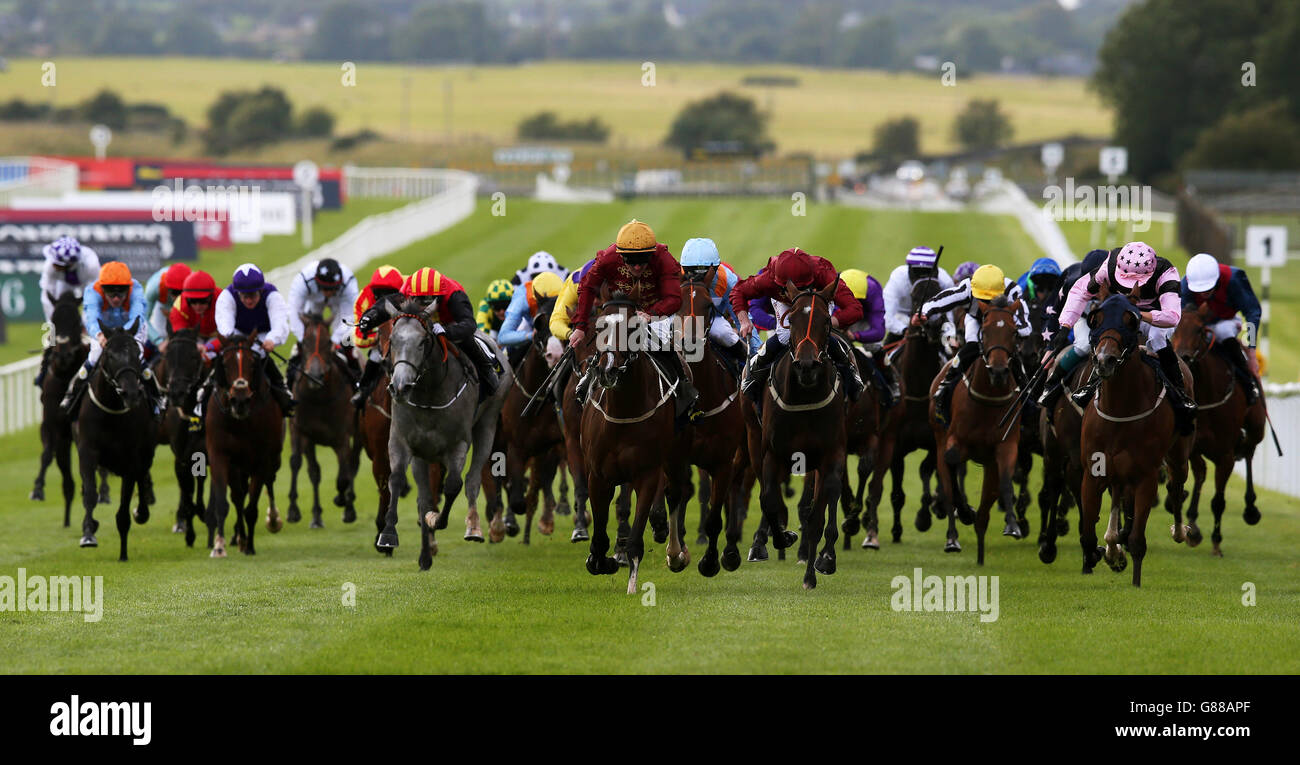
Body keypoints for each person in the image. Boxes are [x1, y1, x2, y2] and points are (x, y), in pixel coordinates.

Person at [1048, 242, 1196, 434]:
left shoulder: (1166, 274)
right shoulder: (1109, 265)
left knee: (1157, 341)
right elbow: (1080, 290)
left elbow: (1172, 316)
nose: (1130, 285)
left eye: (1136, 280)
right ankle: (1092, 383)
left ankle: (1178, 391)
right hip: (1120, 314)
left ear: (1150, 271)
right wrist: (1065, 325)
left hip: (1154, 316)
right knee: (1103, 338)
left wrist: (1137, 313)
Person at [731, 247, 865, 403]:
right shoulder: (768, 279)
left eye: (800, 289)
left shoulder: (823, 273)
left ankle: (851, 373)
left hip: (817, 299)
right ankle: (753, 374)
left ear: (812, 281)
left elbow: (855, 309)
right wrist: (744, 321)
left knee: (821, 332)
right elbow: (738, 291)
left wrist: (827, 322)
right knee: (784, 335)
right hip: (783, 303)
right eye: (787, 289)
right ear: (778, 283)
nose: (793, 293)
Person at [357, 266, 501, 400]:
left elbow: (469, 324)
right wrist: (370, 316)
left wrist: (447, 331)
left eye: (429, 300)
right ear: (412, 295)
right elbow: (386, 303)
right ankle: (373, 384)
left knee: (466, 340)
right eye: (419, 300)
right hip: (419, 324)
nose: (425, 306)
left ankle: (486, 369)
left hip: (447, 321)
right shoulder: (408, 290)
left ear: (440, 296)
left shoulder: (454, 294)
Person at [923, 264, 1032, 427]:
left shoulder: (1013, 291)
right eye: (983, 299)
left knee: (1012, 353)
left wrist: (1006, 326)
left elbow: (1026, 327)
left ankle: (1026, 394)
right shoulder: (967, 287)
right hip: (976, 321)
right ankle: (946, 384)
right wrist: (924, 313)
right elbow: (940, 301)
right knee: (972, 346)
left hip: (1003, 324)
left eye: (990, 299)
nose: (986, 302)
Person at [59, 261, 156, 415]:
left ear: (128, 288)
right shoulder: (92, 291)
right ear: (102, 288)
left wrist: (123, 337)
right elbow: (92, 319)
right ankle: (71, 395)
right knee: (94, 356)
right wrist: (99, 335)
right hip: (103, 330)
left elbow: (137, 316)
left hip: (131, 330)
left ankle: (157, 399)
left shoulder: (136, 289)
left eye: (121, 293)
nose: (116, 299)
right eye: (111, 293)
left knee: (136, 357)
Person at [199, 263, 295, 418]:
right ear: (238, 293)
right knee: (227, 357)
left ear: (261, 290)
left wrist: (272, 340)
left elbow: (280, 325)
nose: (249, 301)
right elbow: (225, 328)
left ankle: (282, 391)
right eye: (244, 296)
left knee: (259, 356)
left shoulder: (272, 296)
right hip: (237, 334)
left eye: (253, 295)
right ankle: (205, 392)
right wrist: (235, 342)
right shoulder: (227, 297)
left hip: (263, 335)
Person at [1035, 248, 1111, 413]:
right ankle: (1051, 384)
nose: (1094, 288)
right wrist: (1050, 347)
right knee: (1084, 345)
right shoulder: (1071, 282)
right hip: (1083, 317)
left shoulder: (1121, 282)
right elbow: (1054, 312)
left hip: (1111, 317)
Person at [1181, 252, 1262, 403]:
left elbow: (1252, 312)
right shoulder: (1185, 284)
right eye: (1199, 290)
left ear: (1217, 279)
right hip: (1200, 323)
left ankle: (1248, 384)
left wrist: (1252, 354)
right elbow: (1183, 318)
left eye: (1207, 289)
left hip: (1228, 320)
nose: (1203, 293)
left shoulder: (1234, 278)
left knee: (1223, 331)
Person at [35, 236, 100, 388]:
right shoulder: (50, 266)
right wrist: (53, 327)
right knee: (53, 336)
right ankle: (43, 372)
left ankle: (95, 366)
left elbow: (92, 299)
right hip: (62, 283)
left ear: (69, 264)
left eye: (57, 264)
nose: (52, 264)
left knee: (91, 332)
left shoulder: (91, 264)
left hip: (86, 283)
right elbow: (47, 297)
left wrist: (86, 325)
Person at [285, 258, 360, 389]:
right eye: (325, 288)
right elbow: (294, 313)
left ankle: (358, 381)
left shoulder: (349, 284)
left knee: (347, 342)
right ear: (317, 282)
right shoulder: (303, 280)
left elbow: (349, 317)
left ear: (339, 284)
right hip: (313, 302)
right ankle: (289, 384)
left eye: (332, 289)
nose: (329, 293)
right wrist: (304, 339)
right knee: (304, 344)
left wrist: (334, 341)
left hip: (339, 304)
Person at [678, 237, 751, 373]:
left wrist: (755, 351)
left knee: (724, 333)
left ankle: (745, 371)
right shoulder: (674, 277)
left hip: (712, 319)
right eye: (691, 271)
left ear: (715, 269)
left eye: (703, 272)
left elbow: (740, 318)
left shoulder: (728, 280)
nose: (697, 277)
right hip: (681, 318)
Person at [837, 267, 898, 407]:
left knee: (874, 345)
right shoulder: (834, 286)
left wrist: (855, 336)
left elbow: (879, 332)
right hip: (840, 312)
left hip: (864, 317)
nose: (853, 303)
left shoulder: (873, 290)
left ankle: (890, 380)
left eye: (856, 300)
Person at [350, 265, 405, 408]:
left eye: (390, 293)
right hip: (381, 343)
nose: (384, 299)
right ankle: (363, 390)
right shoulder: (363, 300)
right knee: (375, 356)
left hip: (406, 337)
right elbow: (358, 338)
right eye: (379, 294)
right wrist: (376, 337)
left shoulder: (409, 289)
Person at [881, 246, 957, 347]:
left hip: (933, 320)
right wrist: (905, 330)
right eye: (917, 272)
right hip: (903, 318)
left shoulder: (945, 281)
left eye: (927, 272)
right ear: (909, 269)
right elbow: (887, 317)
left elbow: (949, 315)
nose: (922, 277)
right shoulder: (897, 278)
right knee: (884, 352)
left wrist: (949, 336)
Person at [496, 270, 564, 369]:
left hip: (556, 323)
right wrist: (530, 335)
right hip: (530, 325)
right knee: (508, 352)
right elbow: (502, 337)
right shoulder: (522, 299)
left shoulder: (565, 292)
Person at [143, 262, 191, 356]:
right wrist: (158, 341)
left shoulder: (195, 283)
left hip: (187, 306)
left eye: (182, 292)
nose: (178, 298)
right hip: (163, 304)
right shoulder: (154, 288)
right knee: (161, 333)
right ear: (167, 287)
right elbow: (143, 318)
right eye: (175, 292)